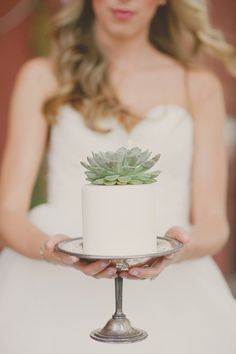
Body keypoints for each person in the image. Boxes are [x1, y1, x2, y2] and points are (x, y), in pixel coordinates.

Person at [0, 0, 236, 353]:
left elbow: (215, 224)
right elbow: (8, 211)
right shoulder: (43, 77)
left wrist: (177, 250)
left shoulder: (199, 86)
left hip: (174, 280)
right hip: (49, 279)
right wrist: (52, 251)